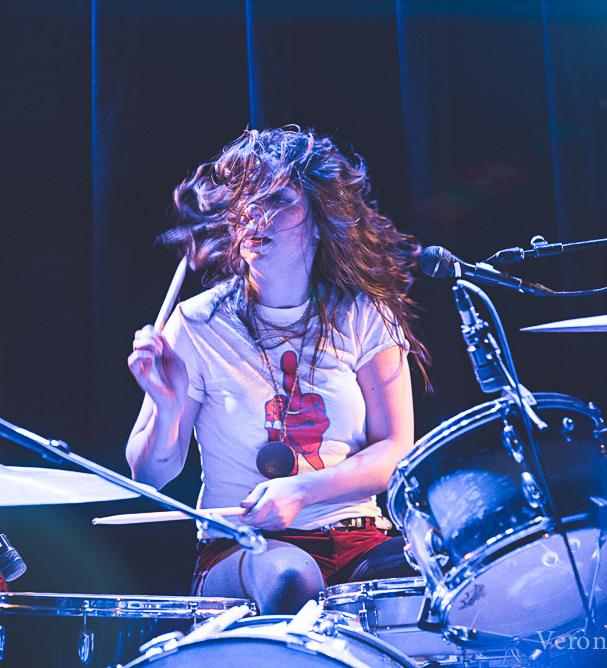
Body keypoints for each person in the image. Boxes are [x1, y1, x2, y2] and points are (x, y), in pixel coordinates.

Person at [126, 127, 431, 615]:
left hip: (357, 540)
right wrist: (165, 407)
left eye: (278, 199)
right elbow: (150, 474)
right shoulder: (197, 323)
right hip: (244, 547)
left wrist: (303, 490)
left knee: (437, 579)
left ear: (318, 217)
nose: (254, 215)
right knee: (291, 577)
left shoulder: (364, 313)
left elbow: (395, 452)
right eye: (247, 200)